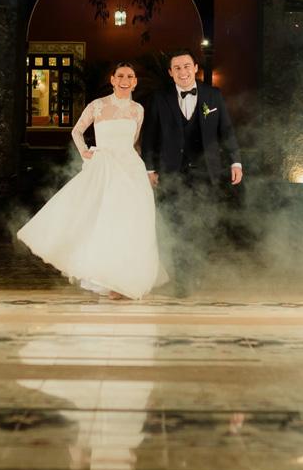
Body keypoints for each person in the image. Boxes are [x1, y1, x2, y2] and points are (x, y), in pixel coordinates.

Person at [17, 63, 167, 300]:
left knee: (133, 223)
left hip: (131, 169)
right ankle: (106, 277)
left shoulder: (138, 109)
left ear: (135, 82)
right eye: (120, 76)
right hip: (104, 167)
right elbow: (76, 131)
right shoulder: (97, 105)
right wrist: (85, 152)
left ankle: (125, 280)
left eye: (130, 76)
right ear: (113, 79)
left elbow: (135, 142)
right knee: (104, 221)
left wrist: (143, 168)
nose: (125, 80)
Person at [141, 48, 243, 296]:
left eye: (187, 66)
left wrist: (236, 162)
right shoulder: (160, 98)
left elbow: (226, 131)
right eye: (177, 68)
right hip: (171, 172)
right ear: (170, 72)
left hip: (206, 172)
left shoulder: (213, 95)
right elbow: (150, 136)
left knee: (203, 224)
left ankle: (196, 274)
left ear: (195, 68)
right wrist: (150, 168)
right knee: (177, 224)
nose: (183, 72)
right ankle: (184, 281)